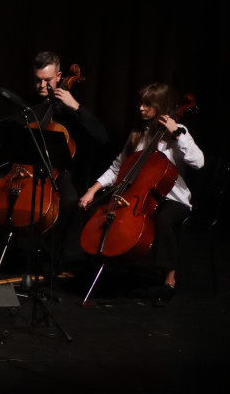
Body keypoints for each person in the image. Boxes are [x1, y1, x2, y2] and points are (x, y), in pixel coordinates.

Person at [0, 51, 107, 270]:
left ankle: (50, 254)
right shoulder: (25, 104)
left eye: (48, 80)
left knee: (69, 201)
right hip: (21, 170)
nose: (42, 85)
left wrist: (76, 108)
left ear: (60, 76)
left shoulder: (70, 108)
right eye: (38, 80)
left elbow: (102, 137)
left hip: (56, 173)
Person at [78, 83, 204, 306]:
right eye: (141, 103)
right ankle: (107, 268)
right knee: (100, 215)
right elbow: (118, 167)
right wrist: (93, 189)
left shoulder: (178, 132)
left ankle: (169, 279)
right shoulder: (140, 134)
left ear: (161, 106)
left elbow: (198, 162)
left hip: (173, 198)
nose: (141, 108)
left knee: (164, 220)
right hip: (137, 195)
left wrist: (177, 133)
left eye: (148, 104)